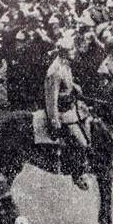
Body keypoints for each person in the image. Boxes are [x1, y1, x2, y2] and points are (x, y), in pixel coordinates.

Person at [44, 34, 89, 190]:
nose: (74, 51)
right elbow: (51, 98)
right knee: (81, 142)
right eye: (71, 49)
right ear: (63, 51)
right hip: (63, 113)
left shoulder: (65, 65)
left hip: (73, 108)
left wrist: (74, 87)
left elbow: (67, 84)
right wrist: (54, 120)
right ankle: (77, 174)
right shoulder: (55, 70)